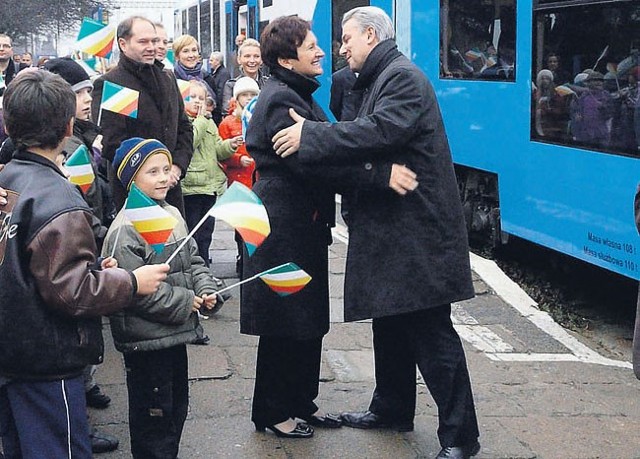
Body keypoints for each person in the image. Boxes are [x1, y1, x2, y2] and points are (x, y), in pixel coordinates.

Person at [272, 7, 481, 459]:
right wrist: (373, 171)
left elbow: (378, 131)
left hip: (418, 234)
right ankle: (391, 408)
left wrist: (312, 134)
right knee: (390, 321)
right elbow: (370, 140)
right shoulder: (376, 77)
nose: (340, 47)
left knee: (431, 332)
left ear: (370, 35)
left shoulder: (402, 77)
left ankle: (461, 437)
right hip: (396, 231)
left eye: (347, 38)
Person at [243, 14, 414, 440]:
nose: (323, 51)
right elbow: (313, 163)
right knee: (283, 318)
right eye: (311, 46)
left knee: (306, 317)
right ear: (286, 57)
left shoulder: (295, 93)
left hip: (302, 223)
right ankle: (273, 410)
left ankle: (301, 402)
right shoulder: (281, 101)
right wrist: (377, 176)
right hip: (281, 225)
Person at [0, 70, 169, 459]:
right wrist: (129, 281)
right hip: (47, 359)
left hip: (12, 349)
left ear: (9, 124)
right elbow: (72, 292)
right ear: (68, 127)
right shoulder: (59, 198)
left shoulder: (9, 178)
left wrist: (92, 266)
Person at [102, 137, 221, 459]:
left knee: (175, 409)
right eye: (152, 171)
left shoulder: (171, 214)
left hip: (173, 336)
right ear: (131, 180)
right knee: (154, 416)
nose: (164, 178)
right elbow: (133, 292)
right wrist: (186, 301)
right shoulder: (125, 229)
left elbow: (194, 260)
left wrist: (205, 288)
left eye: (166, 169)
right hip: (145, 341)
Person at [92, 16, 193, 216]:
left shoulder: (167, 77)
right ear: (123, 44)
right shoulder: (113, 84)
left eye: (154, 41)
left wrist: (176, 167)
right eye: (143, 42)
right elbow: (114, 143)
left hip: (171, 190)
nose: (152, 47)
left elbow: (184, 127)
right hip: (133, 194)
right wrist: (153, 174)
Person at [182, 79, 240, 267]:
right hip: (191, 187)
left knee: (207, 232)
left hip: (210, 186)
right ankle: (194, 267)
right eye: (192, 97)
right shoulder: (187, 122)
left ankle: (205, 266)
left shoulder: (207, 121)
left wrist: (229, 146)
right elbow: (191, 142)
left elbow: (216, 148)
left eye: (202, 98)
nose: (198, 101)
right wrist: (200, 120)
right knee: (193, 231)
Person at [219, 76, 259, 274]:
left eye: (253, 95)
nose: (249, 98)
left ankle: (253, 258)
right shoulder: (228, 122)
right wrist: (236, 159)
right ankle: (241, 257)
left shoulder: (259, 118)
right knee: (240, 225)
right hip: (238, 180)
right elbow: (220, 152)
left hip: (257, 178)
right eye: (245, 95)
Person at [222, 39, 268, 114]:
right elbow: (227, 113)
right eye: (247, 56)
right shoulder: (231, 85)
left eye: (256, 56)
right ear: (239, 59)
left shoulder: (268, 84)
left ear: (261, 60)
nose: (252, 60)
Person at [172, 34, 214, 99]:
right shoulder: (172, 79)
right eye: (185, 51)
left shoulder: (207, 78)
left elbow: (217, 107)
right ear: (177, 56)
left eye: (194, 50)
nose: (191, 55)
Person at [205, 51, 231, 124]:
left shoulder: (223, 74)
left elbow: (221, 92)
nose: (209, 62)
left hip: (218, 111)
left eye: (211, 60)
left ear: (217, 61)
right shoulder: (215, 73)